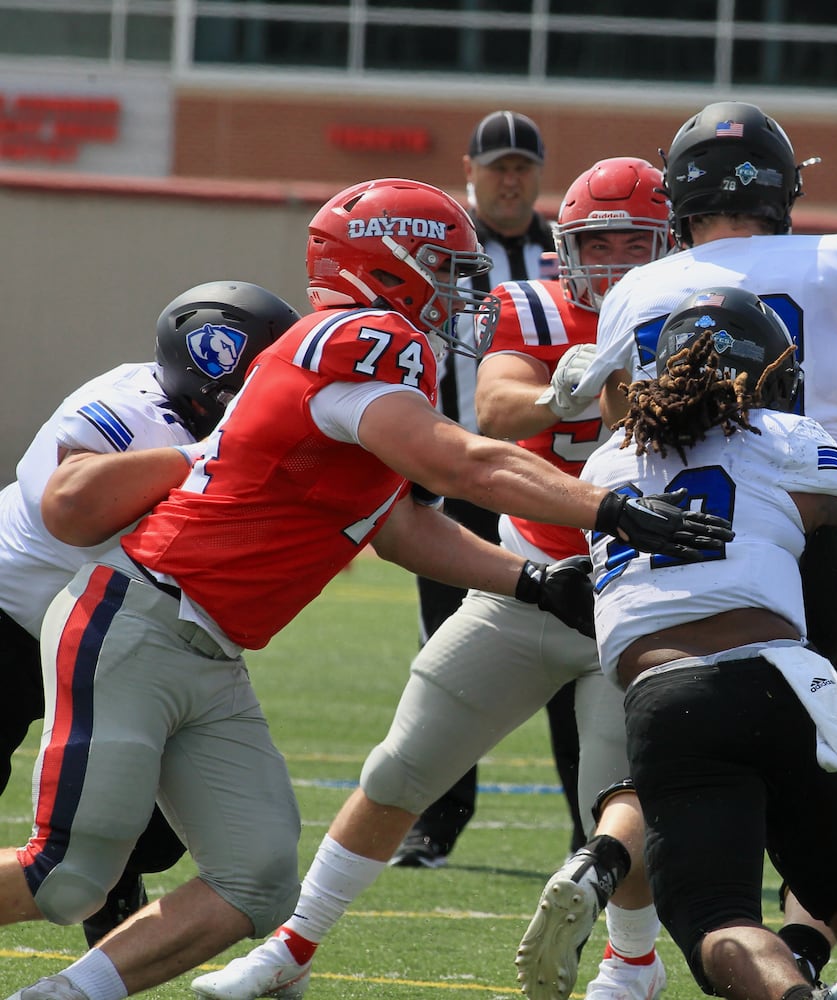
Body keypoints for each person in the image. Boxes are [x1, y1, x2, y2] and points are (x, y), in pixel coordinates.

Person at [0, 176, 731, 1000]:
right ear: (388, 265)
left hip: (210, 651)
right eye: (444, 267)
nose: (461, 291)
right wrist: (609, 507)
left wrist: (532, 581)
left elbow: (400, 526)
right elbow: (460, 462)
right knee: (67, 876)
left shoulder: (369, 375)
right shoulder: (361, 337)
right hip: (136, 618)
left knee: (259, 881)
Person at [191, 157, 676, 1000]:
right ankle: (291, 948)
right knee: (402, 767)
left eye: (639, 244)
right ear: (569, 248)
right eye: (602, 244)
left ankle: (632, 964)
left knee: (617, 793)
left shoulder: (703, 317)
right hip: (538, 568)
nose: (620, 264)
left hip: (645, 586)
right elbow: (494, 413)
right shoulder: (533, 305)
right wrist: (570, 394)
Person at [551, 99, 837, 988]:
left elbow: (617, 423)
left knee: (707, 884)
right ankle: (830, 901)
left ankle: (616, 889)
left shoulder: (632, 331)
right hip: (804, 541)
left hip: (658, 579)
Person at [0, 280, 299, 950]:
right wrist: (205, 458)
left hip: (111, 637)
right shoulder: (131, 406)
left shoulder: (229, 425)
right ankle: (91, 888)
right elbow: (71, 508)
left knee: (155, 830)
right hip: (11, 619)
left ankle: (109, 885)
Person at [396, 108, 583, 869]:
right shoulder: (445, 247)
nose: (510, 178)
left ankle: (589, 825)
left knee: (576, 643)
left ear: (539, 174)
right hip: (456, 470)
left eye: (522, 166)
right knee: (449, 649)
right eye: (497, 165)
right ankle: (437, 821)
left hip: (546, 476)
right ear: (469, 169)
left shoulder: (567, 252)